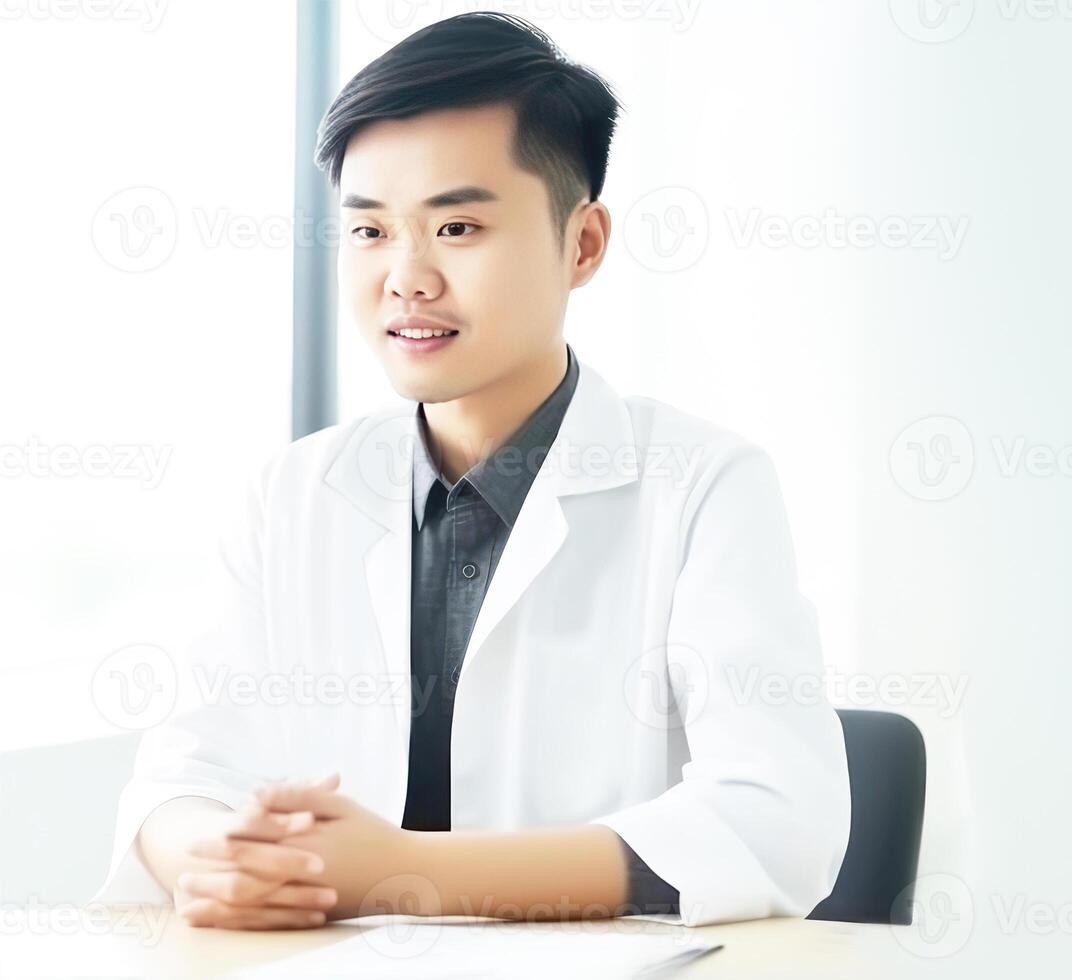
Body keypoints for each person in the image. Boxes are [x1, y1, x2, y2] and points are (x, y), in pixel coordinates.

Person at [93, 11, 850, 931]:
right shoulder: (288, 497)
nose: (406, 278)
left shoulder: (703, 488)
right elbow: (179, 781)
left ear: (584, 245)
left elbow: (777, 820)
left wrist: (407, 871)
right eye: (370, 233)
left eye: (456, 226)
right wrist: (214, 864)